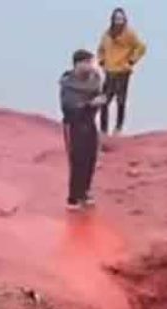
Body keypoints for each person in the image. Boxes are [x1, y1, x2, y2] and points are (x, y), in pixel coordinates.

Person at [60, 49, 106, 211]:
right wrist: (88, 105)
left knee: (90, 159)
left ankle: (85, 193)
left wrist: (100, 101)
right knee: (77, 160)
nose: (90, 66)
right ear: (78, 64)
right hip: (73, 125)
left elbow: (100, 95)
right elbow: (68, 107)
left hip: (90, 123)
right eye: (87, 62)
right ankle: (73, 198)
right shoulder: (68, 82)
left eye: (91, 62)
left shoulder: (95, 79)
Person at [97, 8, 147, 136]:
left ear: (124, 20)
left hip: (123, 72)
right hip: (109, 71)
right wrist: (102, 61)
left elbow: (141, 47)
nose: (118, 21)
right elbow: (101, 49)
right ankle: (103, 130)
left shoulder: (129, 33)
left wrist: (131, 61)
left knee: (121, 101)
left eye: (121, 19)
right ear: (112, 20)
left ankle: (118, 128)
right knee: (104, 101)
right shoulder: (107, 34)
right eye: (116, 19)